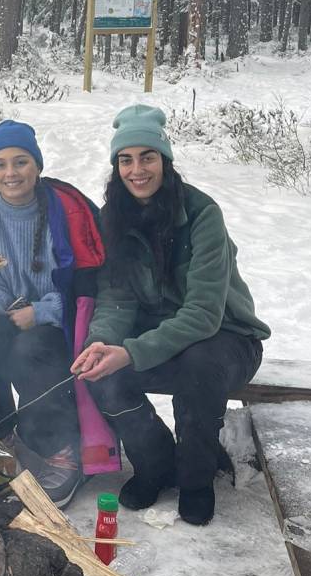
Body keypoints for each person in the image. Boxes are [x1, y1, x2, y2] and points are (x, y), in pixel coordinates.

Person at [70, 104, 270, 525]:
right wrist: (101, 342)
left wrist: (132, 352)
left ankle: (196, 478)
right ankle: (156, 463)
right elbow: (116, 298)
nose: (137, 170)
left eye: (147, 157)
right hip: (160, 337)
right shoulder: (113, 218)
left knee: (198, 367)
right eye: (126, 160)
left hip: (228, 338)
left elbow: (203, 314)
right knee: (103, 375)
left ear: (165, 160)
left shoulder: (201, 215)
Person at [0, 120, 104, 504]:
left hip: (60, 322)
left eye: (20, 162)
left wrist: (39, 312)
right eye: (0, 164)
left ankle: (60, 448)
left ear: (37, 166)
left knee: (31, 348)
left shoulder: (62, 212)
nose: (11, 173)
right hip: (9, 314)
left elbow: (82, 286)